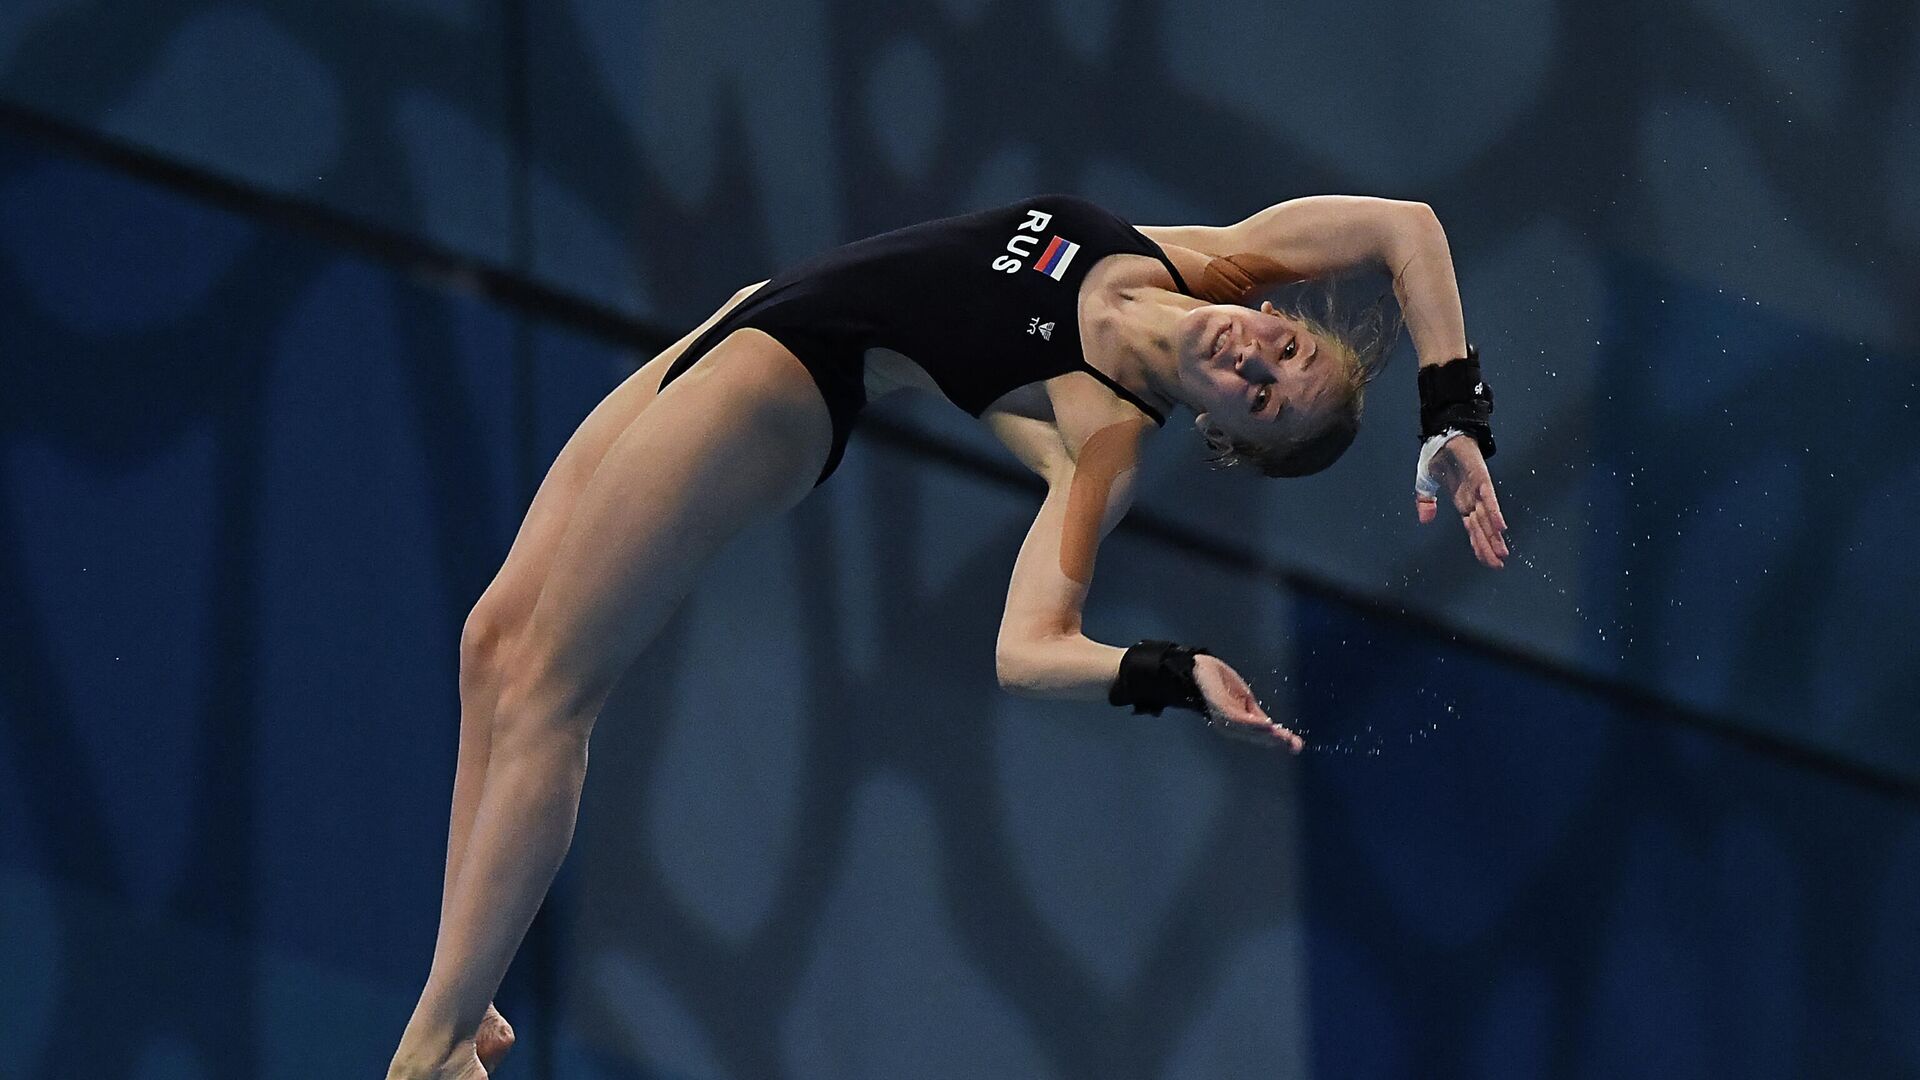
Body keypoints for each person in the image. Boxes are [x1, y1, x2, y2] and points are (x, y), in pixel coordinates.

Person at [386, 193, 1508, 1079]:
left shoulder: (1103, 434)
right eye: (1286, 355)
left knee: (553, 689)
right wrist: (1454, 411)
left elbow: (1028, 647)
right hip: (754, 309)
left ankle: (432, 1049)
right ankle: (466, 993)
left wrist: (1166, 672)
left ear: (1222, 439)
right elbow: (1404, 229)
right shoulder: (1200, 260)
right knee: (492, 643)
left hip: (779, 389)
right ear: (1283, 312)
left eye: (1263, 403)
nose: (1256, 365)